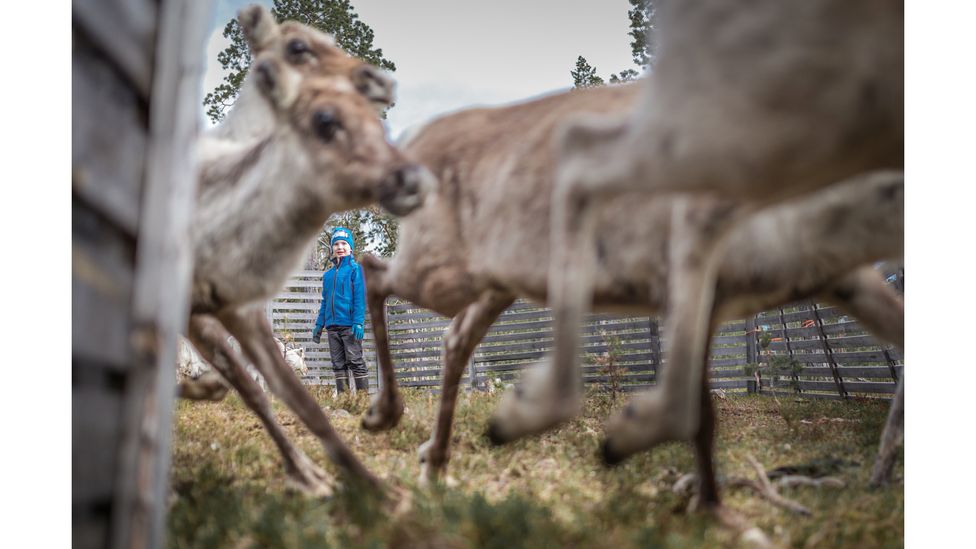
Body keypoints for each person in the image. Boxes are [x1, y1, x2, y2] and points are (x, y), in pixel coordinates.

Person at [312, 227, 368, 394]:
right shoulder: (328, 276)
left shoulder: (355, 270)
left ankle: (362, 400)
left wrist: (358, 322)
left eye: (344, 243)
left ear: (351, 247)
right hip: (332, 327)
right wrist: (319, 325)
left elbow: (360, 298)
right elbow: (325, 302)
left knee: (355, 360)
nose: (340, 247)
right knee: (337, 364)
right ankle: (344, 401)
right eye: (336, 244)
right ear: (332, 248)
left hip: (349, 326)